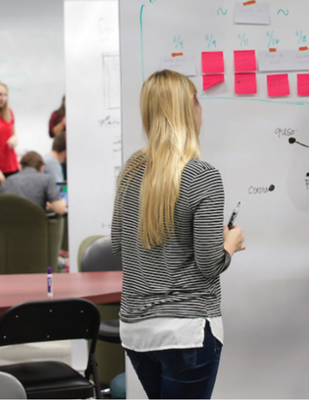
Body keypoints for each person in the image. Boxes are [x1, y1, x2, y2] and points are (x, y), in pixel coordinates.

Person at [111, 69, 245, 399]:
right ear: (190, 108)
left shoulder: (130, 171)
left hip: (137, 331)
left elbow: (118, 244)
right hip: (186, 331)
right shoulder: (203, 176)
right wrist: (230, 244)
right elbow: (209, 263)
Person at [0, 151, 66, 215]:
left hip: (9, 224)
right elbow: (60, 210)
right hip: (36, 224)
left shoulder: (8, 181)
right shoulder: (46, 179)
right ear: (42, 168)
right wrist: (62, 202)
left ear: (20, 166)